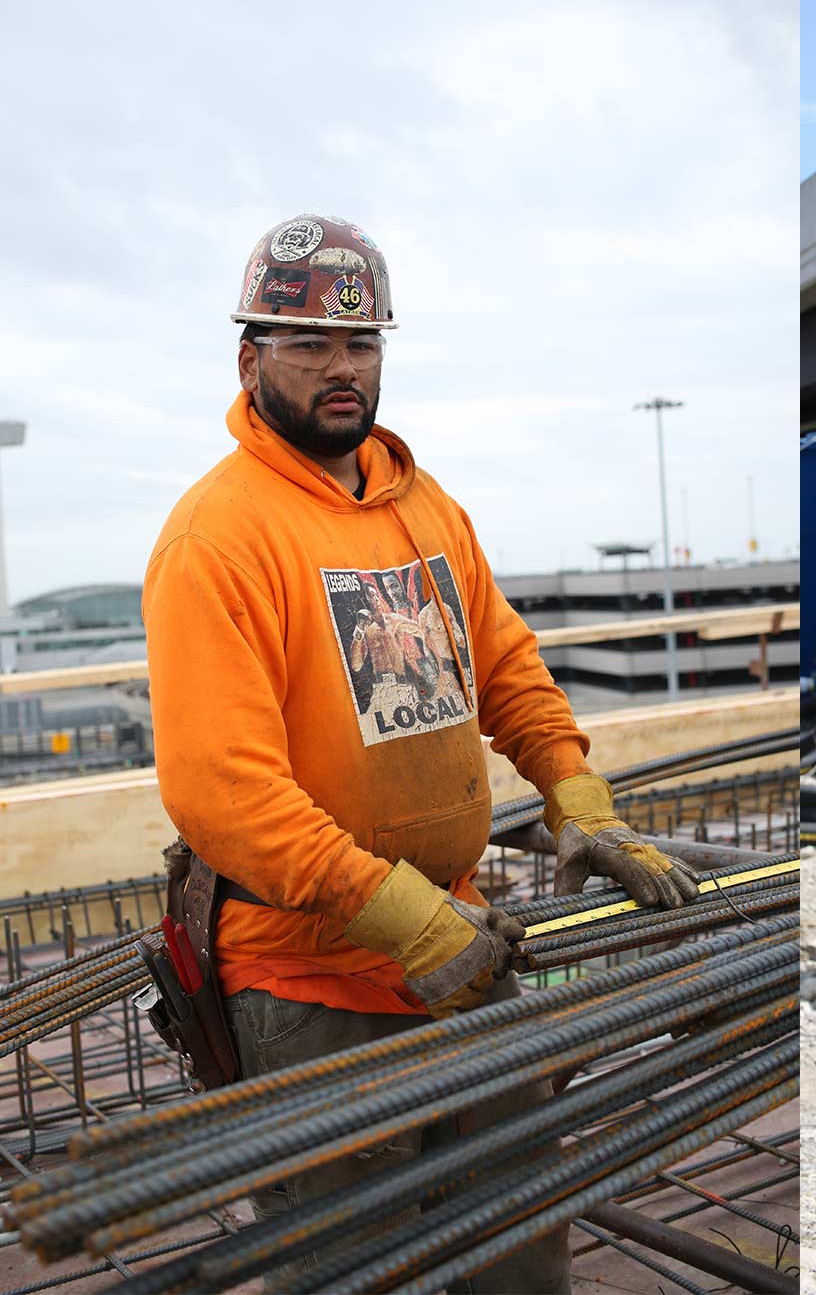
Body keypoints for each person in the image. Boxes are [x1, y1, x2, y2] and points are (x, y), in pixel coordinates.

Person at [143, 213, 702, 1294]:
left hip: (459, 949)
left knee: (518, 1243)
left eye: (362, 346)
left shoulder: (424, 506)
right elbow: (224, 792)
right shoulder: (220, 536)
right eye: (308, 346)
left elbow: (508, 671)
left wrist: (580, 800)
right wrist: (399, 916)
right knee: (359, 1264)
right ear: (250, 360)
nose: (340, 369)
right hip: (314, 990)